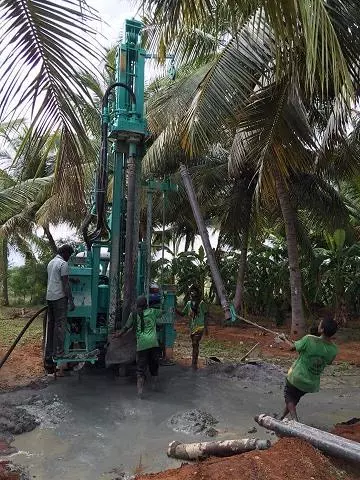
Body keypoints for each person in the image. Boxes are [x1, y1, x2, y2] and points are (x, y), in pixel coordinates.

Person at [280, 318, 338, 421]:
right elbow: (329, 362)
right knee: (293, 399)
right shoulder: (333, 349)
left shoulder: (309, 339)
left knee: (289, 396)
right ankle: (281, 418)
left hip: (297, 378)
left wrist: (284, 339)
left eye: (320, 324)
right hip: (310, 384)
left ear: (322, 330)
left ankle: (295, 421)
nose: (318, 325)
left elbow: (293, 347)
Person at [113, 296, 163, 398]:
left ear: (137, 305)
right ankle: (154, 386)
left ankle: (140, 392)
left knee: (140, 369)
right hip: (153, 344)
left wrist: (117, 335)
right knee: (154, 365)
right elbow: (164, 312)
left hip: (142, 345)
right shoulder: (153, 311)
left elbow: (125, 328)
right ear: (146, 305)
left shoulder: (133, 314)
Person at [45, 245, 75, 375]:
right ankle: (59, 351)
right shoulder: (63, 264)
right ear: (65, 253)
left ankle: (49, 354)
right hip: (59, 298)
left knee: (51, 327)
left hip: (50, 297)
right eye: (69, 254)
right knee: (60, 325)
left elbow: (57, 278)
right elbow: (65, 284)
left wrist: (72, 279)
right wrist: (71, 301)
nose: (69, 258)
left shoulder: (51, 263)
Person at [176, 285, 209, 370]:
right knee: (195, 345)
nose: (192, 293)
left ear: (197, 293)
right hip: (192, 327)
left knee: (195, 343)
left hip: (200, 327)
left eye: (194, 291)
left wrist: (206, 328)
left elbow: (206, 315)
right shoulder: (188, 304)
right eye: (191, 291)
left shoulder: (201, 303)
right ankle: (194, 362)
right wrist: (175, 310)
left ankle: (194, 364)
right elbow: (183, 314)